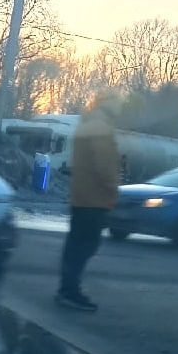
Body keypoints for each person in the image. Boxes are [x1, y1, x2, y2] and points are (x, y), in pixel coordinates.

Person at [55, 92, 123, 311]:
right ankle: (71, 292)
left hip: (81, 196)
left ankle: (66, 289)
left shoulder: (85, 126)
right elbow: (105, 167)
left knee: (74, 245)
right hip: (95, 199)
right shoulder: (102, 129)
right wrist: (114, 187)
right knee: (86, 246)